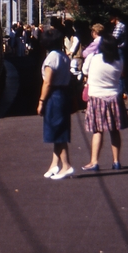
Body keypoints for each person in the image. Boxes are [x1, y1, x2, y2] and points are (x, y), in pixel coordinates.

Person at [82, 35, 128, 171]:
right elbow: (121, 75)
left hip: (97, 97)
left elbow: (85, 71)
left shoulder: (93, 58)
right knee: (114, 131)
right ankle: (116, 161)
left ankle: (94, 161)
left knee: (98, 131)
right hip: (114, 97)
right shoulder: (119, 60)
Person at [37, 28, 74, 180]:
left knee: (57, 132)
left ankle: (66, 166)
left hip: (54, 96)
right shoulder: (63, 57)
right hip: (64, 95)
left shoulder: (51, 58)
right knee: (58, 129)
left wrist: (41, 101)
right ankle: (54, 164)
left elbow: (47, 82)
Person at [110, 10, 128, 104]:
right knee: (124, 72)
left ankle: (121, 95)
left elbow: (115, 38)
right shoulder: (127, 24)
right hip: (127, 49)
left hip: (121, 49)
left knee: (121, 72)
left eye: (111, 16)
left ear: (116, 17)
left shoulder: (120, 25)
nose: (110, 19)